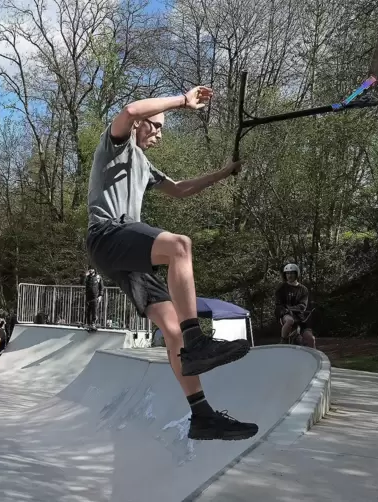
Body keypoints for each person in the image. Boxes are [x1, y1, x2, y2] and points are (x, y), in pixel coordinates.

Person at [85, 87, 257, 441]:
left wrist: (223, 173)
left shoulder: (144, 165)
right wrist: (182, 101)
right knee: (180, 246)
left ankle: (202, 414)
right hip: (107, 234)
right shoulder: (115, 144)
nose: (160, 135)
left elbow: (179, 189)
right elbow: (130, 108)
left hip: (122, 256)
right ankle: (198, 340)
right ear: (139, 125)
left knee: (171, 328)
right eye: (157, 127)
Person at [275, 263, 315, 348]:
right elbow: (278, 304)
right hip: (286, 315)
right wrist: (284, 310)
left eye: (292, 273)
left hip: (300, 318)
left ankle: (314, 358)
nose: (289, 275)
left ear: (296, 274)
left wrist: (291, 308)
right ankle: (283, 341)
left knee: (311, 339)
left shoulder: (303, 289)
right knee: (290, 321)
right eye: (287, 273)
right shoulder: (281, 288)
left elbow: (302, 306)